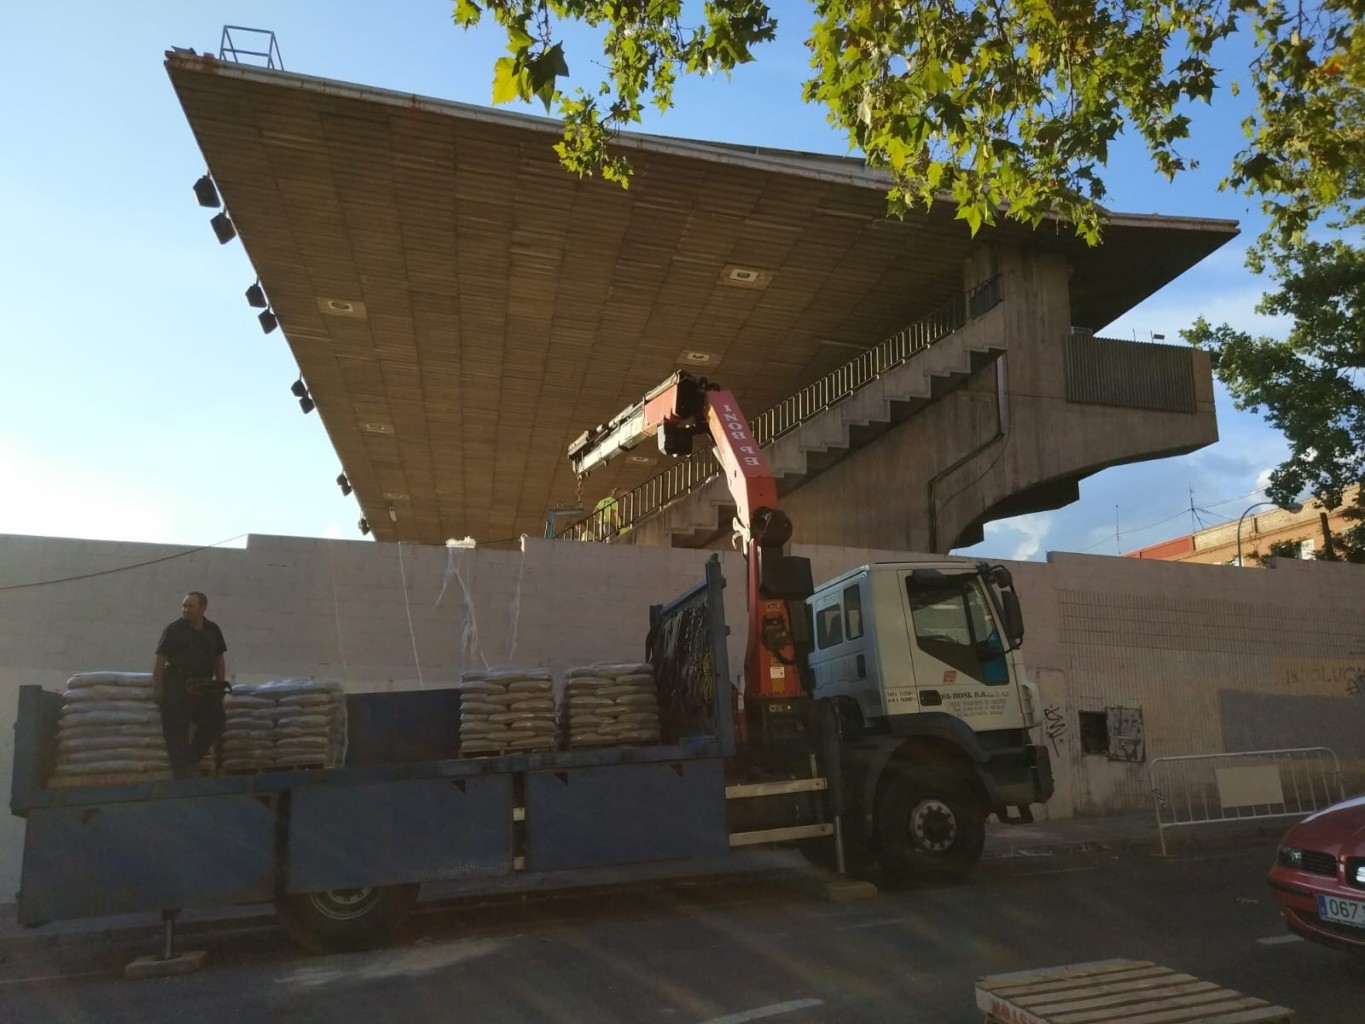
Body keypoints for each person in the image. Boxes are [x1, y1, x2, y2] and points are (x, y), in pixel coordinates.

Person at [152, 591, 229, 779]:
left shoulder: (213, 630)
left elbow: (219, 658)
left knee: (215, 720)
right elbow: (160, 660)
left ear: (202, 608)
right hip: (178, 683)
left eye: (190, 606)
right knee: (176, 727)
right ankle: (182, 770)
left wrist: (219, 685)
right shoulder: (174, 630)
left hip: (203, 684)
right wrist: (158, 687)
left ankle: (191, 759)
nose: (186, 610)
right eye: (184, 606)